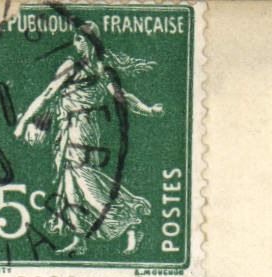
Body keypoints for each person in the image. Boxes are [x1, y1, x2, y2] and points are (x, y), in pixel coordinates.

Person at [12, 22, 163, 255]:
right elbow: (49, 93)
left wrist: (147, 109)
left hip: (82, 129)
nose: (77, 43)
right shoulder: (72, 66)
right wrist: (25, 122)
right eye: (76, 39)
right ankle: (79, 238)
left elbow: (122, 98)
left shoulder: (101, 69)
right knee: (72, 184)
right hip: (68, 128)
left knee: (86, 183)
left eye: (81, 39)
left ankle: (132, 220)